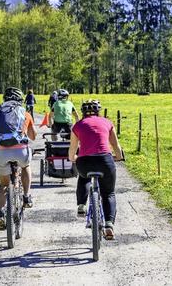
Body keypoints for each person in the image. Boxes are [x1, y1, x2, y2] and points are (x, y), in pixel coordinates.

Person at [68, 99, 123, 240]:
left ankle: (81, 205)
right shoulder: (107, 122)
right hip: (105, 160)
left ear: (83, 112)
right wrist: (119, 157)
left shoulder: (78, 125)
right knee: (109, 193)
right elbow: (116, 146)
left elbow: (72, 150)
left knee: (84, 177)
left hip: (85, 161)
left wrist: (72, 158)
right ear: (98, 111)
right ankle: (109, 225)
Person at [0, 87, 37, 230]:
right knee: (25, 166)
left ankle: (0, 214)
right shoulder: (25, 113)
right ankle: (26, 196)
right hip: (20, 151)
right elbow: (33, 136)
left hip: (2, 152)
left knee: (3, 184)